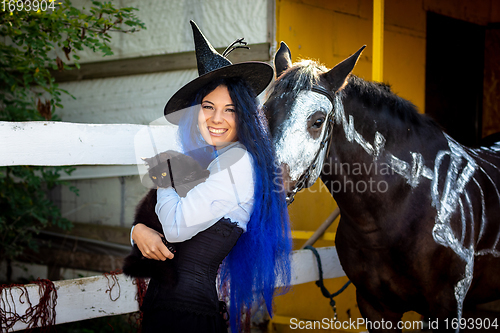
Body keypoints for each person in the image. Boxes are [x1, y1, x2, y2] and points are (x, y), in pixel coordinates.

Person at [131, 21, 292, 333]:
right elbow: (166, 223)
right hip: (166, 309)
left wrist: (164, 173)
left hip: (186, 316)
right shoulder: (209, 159)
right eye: (208, 106)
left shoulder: (239, 162)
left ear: (244, 115)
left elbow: (176, 228)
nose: (217, 119)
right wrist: (138, 230)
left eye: (230, 109)